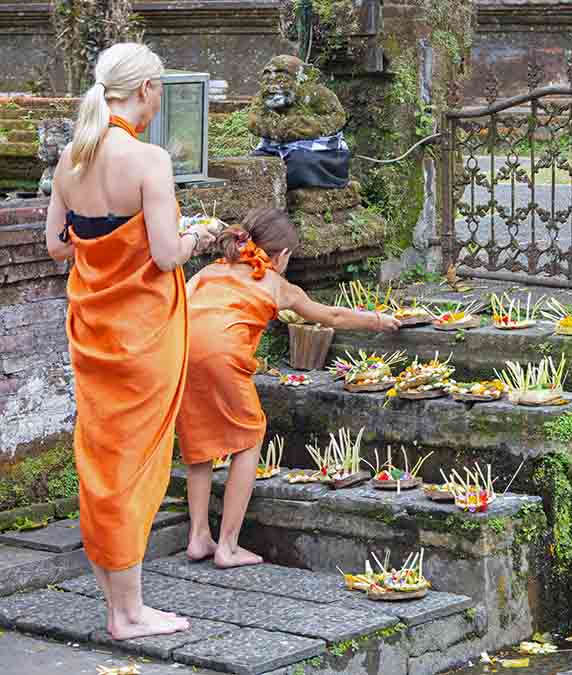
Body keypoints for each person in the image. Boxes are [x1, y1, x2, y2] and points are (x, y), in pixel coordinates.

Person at [44, 43, 216, 640]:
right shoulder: (148, 160)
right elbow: (167, 253)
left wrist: (103, 241)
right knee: (136, 467)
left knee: (101, 461)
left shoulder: (72, 157)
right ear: (146, 90)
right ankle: (129, 613)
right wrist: (200, 234)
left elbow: (57, 245)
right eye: (160, 87)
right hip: (143, 336)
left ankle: (117, 605)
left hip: (92, 332)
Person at [178, 208, 400, 568]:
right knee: (249, 437)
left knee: (199, 445)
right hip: (223, 356)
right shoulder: (277, 285)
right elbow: (333, 316)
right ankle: (228, 546)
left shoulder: (208, 271)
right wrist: (377, 320)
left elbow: (179, 304)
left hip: (183, 352)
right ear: (281, 256)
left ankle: (198, 536)